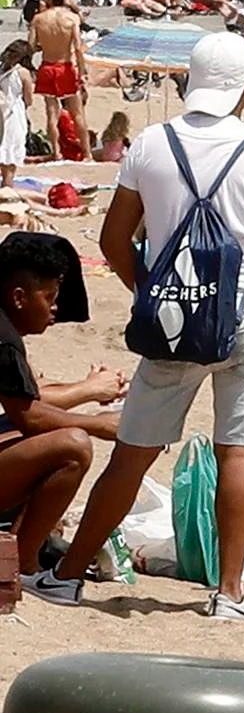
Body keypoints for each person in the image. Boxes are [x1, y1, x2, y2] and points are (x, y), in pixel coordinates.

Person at [43, 31, 244, 617]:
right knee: (237, 455)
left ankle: (67, 572)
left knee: (134, 453)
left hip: (173, 322)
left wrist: (152, 293)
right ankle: (231, 593)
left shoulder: (151, 145)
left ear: (191, 80)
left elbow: (114, 239)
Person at [0, 233, 116, 596]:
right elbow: (29, 417)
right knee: (73, 446)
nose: (55, 308)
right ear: (19, 297)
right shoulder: (3, 339)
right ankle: (24, 565)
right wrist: (99, 425)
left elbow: (29, 396)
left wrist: (88, 388)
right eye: (49, 297)